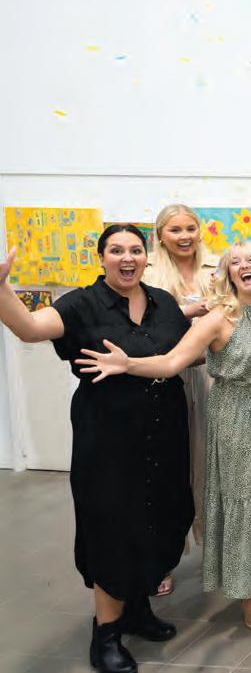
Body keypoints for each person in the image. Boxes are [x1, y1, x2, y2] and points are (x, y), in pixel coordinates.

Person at [75, 242, 251, 630]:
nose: (245, 266)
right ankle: (248, 593)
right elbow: (173, 360)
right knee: (244, 500)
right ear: (227, 274)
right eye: (235, 262)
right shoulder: (217, 317)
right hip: (238, 417)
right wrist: (127, 363)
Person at [0, 227, 191, 673]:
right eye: (116, 250)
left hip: (164, 432)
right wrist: (2, 289)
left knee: (160, 516)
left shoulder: (163, 302)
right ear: (101, 257)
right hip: (108, 438)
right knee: (111, 528)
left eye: (135, 250)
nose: (127, 258)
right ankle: (106, 633)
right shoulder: (82, 303)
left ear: (146, 256)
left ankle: (137, 608)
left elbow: (184, 353)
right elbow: (29, 328)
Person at [144, 204, 218, 567]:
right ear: (160, 235)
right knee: (169, 466)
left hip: (211, 374)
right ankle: (165, 557)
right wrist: (188, 312)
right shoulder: (147, 273)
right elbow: (143, 324)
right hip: (166, 375)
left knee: (212, 462)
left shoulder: (216, 268)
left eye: (191, 228)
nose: (185, 236)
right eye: (175, 230)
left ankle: (215, 544)